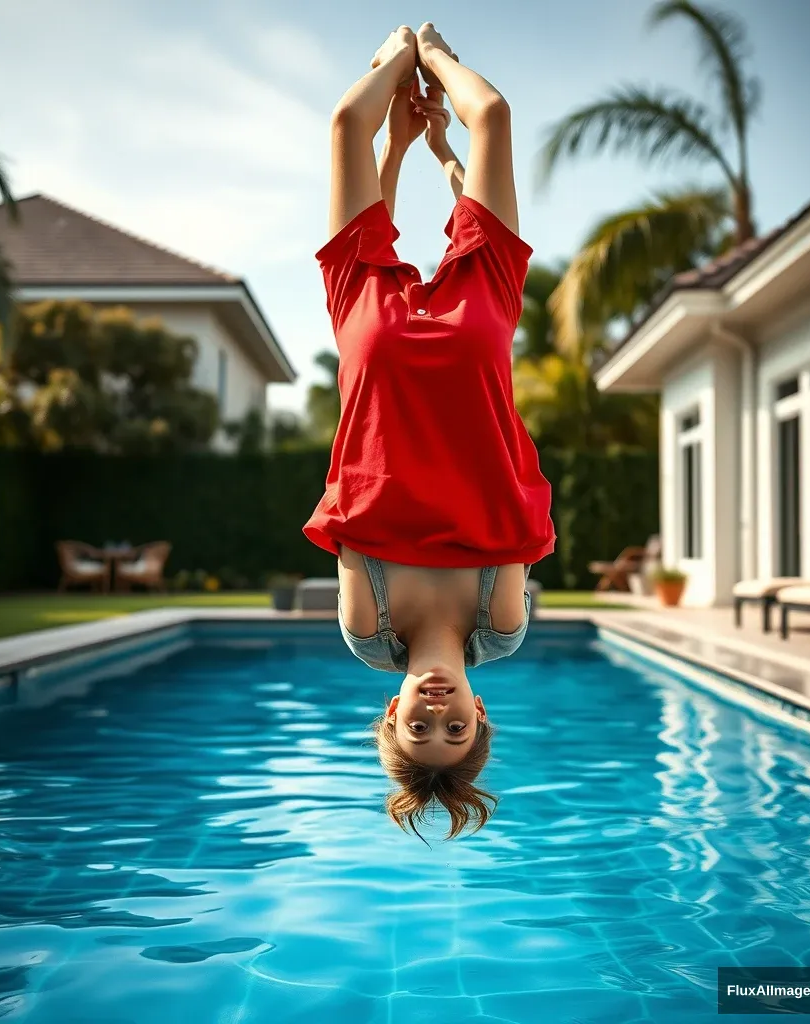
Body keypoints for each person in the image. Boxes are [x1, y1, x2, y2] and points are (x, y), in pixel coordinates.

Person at [303, 24, 555, 839]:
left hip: (365, 312)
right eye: (458, 731)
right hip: (486, 296)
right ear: (481, 713)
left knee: (348, 124)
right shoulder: (502, 624)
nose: (437, 717)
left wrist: (395, 99)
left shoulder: (367, 627)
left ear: (393, 709)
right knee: (500, 119)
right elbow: (494, 115)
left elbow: (352, 130)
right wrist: (432, 63)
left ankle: (393, 50)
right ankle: (423, 46)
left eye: (419, 730)